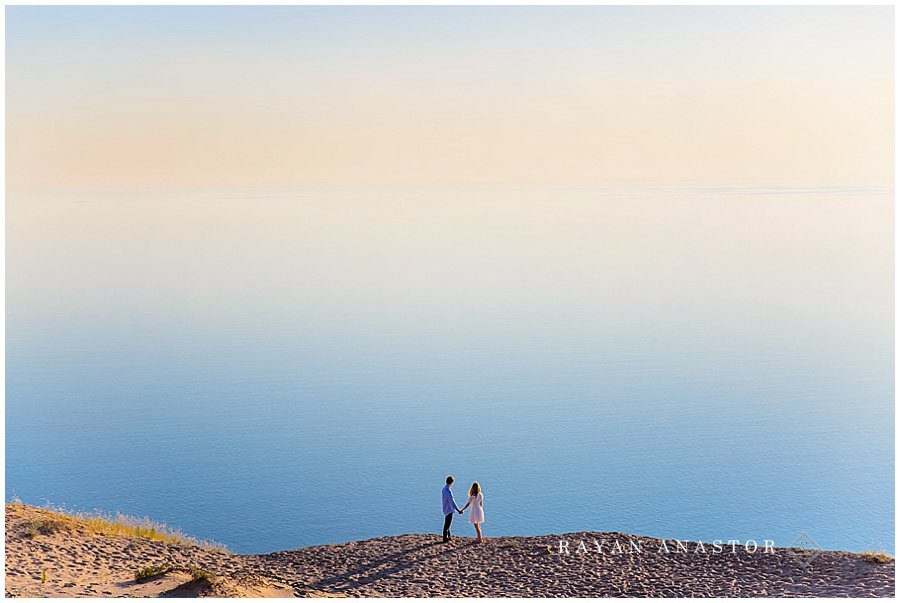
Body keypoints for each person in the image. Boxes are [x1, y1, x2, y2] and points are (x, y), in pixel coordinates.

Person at [441, 476, 463, 543]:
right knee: (447, 524)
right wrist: (458, 510)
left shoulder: (444, 489)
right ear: (451, 482)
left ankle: (448, 536)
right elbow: (452, 501)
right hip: (449, 509)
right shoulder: (448, 491)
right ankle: (445, 538)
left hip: (445, 508)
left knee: (447, 524)